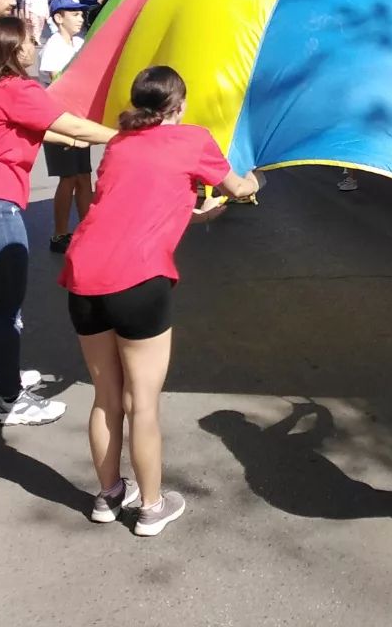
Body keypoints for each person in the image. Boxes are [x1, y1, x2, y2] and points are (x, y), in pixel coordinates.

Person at [60, 66, 259, 533]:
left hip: (84, 274)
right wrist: (254, 181)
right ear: (180, 104)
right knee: (142, 401)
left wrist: (188, 214)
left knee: (105, 395)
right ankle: (151, 506)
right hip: (139, 278)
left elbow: (128, 205)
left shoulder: (119, 144)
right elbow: (237, 187)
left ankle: (108, 496)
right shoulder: (193, 139)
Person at [0, 17, 117, 425]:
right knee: (5, 310)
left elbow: (37, 129)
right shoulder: (17, 89)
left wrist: (70, 137)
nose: (35, 45)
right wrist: (125, 136)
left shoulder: (0, 91)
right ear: (15, 51)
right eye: (30, 40)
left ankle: (2, 377)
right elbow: (70, 123)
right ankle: (9, 398)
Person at [39, 0, 95, 253]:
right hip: (60, 121)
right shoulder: (53, 46)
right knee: (69, 177)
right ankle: (59, 234)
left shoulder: (81, 43)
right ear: (58, 18)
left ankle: (89, 229)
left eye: (81, 13)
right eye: (73, 13)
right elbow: (58, 82)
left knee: (84, 176)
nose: (80, 17)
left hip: (79, 120)